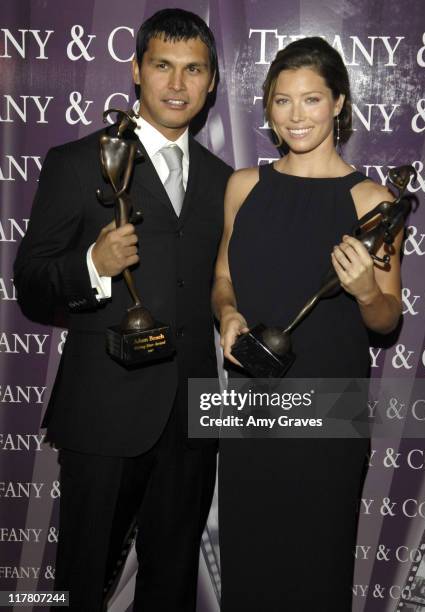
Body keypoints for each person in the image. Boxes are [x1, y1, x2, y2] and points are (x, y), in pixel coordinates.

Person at [14, 8, 232, 612]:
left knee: (171, 588)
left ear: (212, 81)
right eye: (163, 66)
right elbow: (31, 284)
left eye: (194, 70)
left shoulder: (224, 180)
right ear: (136, 70)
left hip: (192, 417)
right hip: (104, 412)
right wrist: (91, 265)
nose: (178, 84)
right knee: (83, 582)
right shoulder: (77, 161)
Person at [212, 37, 403, 610]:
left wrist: (367, 289)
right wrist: (227, 313)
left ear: (339, 103)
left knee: (315, 569)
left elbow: (386, 317)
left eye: (312, 100)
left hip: (332, 410)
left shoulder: (373, 201)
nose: (296, 116)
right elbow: (223, 275)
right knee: (249, 563)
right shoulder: (244, 186)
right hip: (251, 406)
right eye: (282, 100)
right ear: (267, 105)